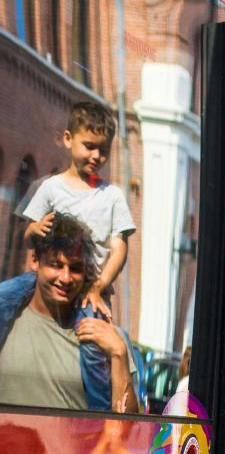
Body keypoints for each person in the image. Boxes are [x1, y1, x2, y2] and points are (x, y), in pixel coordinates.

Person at [0, 213, 139, 412]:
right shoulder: (6, 317)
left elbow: (130, 430)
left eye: (75, 268)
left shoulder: (105, 337)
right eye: (56, 265)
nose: (65, 278)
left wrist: (119, 353)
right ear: (35, 261)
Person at [19, 102, 135, 321]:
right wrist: (35, 229)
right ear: (68, 139)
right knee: (5, 297)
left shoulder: (113, 197)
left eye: (103, 150)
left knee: (93, 338)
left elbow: (119, 251)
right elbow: (27, 238)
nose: (96, 156)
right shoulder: (51, 187)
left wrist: (100, 286)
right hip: (49, 281)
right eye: (89, 146)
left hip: (88, 289)